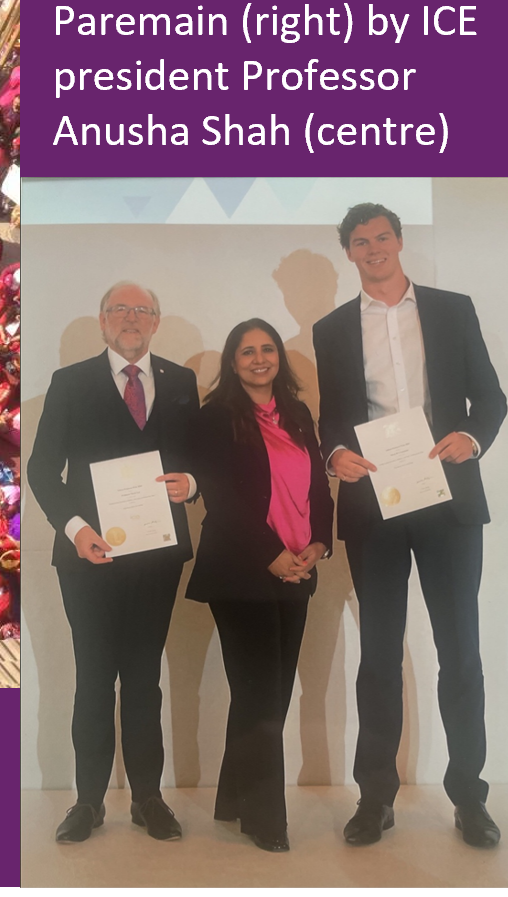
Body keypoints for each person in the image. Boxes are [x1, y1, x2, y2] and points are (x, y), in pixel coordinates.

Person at [311, 203, 505, 850]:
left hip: (449, 500)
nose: (373, 249)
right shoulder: (332, 328)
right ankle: (375, 799)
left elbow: (492, 398)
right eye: (360, 241)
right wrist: (335, 454)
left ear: (398, 241)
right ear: (349, 252)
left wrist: (471, 437)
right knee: (378, 658)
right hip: (375, 504)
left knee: (461, 654)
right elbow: (332, 420)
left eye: (382, 237)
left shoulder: (452, 308)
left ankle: (470, 799)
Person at [26, 280, 198, 844]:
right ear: (102, 322)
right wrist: (75, 531)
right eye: (119, 310)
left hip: (158, 557)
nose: (131, 318)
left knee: (145, 679)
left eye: (141, 310)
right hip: (87, 558)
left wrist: (192, 483)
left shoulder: (182, 382)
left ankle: (148, 798)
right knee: (95, 678)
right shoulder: (69, 383)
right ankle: (89, 802)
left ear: (156, 322)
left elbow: (198, 460)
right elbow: (43, 471)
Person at [185, 319, 334, 853]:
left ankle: (233, 798)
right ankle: (266, 818)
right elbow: (219, 498)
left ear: (279, 358)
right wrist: (272, 556)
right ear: (232, 361)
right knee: (260, 695)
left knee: (267, 694)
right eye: (246, 351)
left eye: (267, 349)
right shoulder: (214, 418)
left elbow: (317, 482)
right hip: (241, 572)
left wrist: (317, 544)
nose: (258, 358)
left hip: (299, 568)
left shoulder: (297, 414)